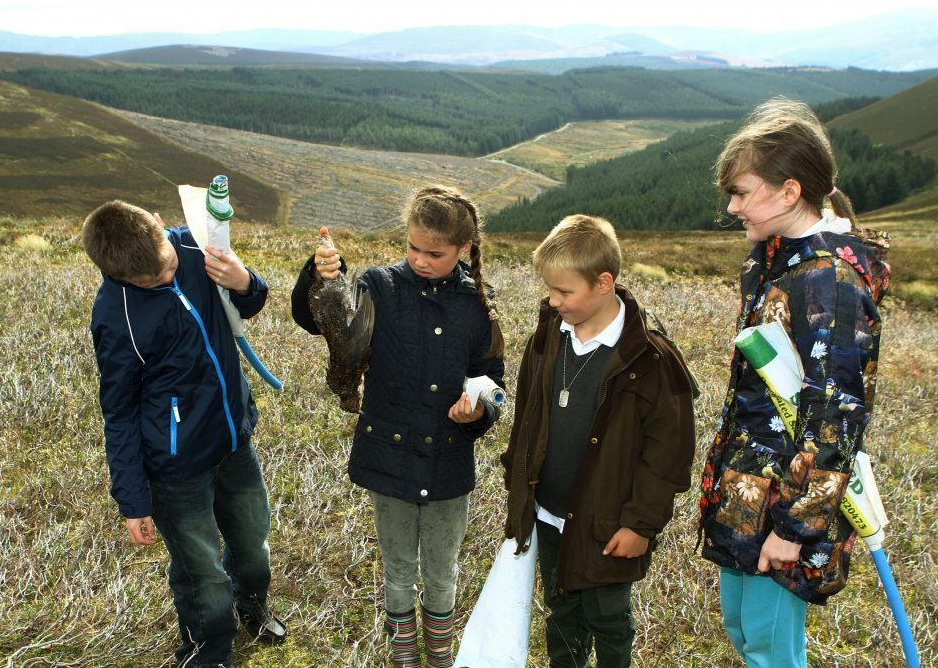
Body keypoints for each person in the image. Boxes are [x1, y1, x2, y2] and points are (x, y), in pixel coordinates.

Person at [697, 97, 891, 667]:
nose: (732, 206)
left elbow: (837, 416)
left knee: (772, 651)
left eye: (741, 191)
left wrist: (795, 527)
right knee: (745, 633)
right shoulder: (774, 259)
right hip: (749, 496)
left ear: (789, 191)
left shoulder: (829, 283)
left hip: (782, 508)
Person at [291, 186, 505, 668]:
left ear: (465, 249)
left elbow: (495, 380)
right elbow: (318, 320)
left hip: (449, 460)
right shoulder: (379, 287)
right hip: (387, 454)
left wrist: (481, 409)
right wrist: (321, 274)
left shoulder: (480, 305)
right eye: (413, 247)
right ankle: (404, 656)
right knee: (398, 567)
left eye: (436, 253)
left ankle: (440, 655)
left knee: (443, 570)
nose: (422, 260)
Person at [83, 199, 287, 668]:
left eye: (169, 266)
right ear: (117, 275)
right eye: (152, 281)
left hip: (233, 440)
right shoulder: (117, 317)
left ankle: (253, 605)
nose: (168, 277)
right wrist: (132, 500)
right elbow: (118, 411)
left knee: (253, 538)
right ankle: (208, 649)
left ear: (160, 224)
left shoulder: (194, 242)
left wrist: (246, 282)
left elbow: (247, 302)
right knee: (202, 572)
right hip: (175, 469)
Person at [501, 214, 698, 668]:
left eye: (564, 292)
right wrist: (520, 485)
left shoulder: (650, 360)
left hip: (610, 525)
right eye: (550, 289)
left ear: (604, 282)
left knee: (608, 618)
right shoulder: (549, 334)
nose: (553, 301)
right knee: (562, 612)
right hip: (548, 512)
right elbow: (528, 412)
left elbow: (669, 455)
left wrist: (640, 525)